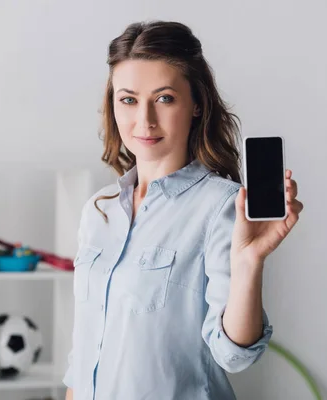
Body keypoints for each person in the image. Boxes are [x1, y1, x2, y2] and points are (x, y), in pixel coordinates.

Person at [63, 20, 304, 400]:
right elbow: (84, 354)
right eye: (128, 99)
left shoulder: (222, 206)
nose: (144, 120)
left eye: (164, 98)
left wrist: (249, 262)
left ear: (196, 104)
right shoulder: (99, 211)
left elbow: (234, 356)